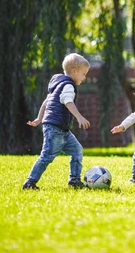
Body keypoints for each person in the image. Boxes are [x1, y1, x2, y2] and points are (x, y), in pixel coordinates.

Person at [22, 53, 91, 190]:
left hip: (62, 129)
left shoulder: (58, 84)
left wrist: (39, 118)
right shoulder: (68, 86)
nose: (84, 77)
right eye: (83, 74)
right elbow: (68, 102)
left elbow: (46, 102)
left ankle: (74, 180)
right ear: (74, 71)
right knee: (47, 156)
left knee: (77, 150)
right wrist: (79, 116)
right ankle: (30, 182)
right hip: (55, 129)